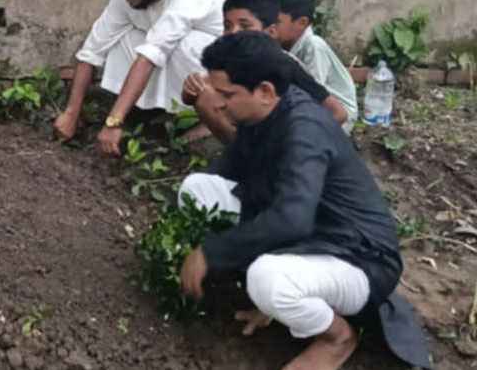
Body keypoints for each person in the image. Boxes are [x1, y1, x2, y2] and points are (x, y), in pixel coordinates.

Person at [177, 32, 430, 370]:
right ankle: (280, 297)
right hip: (308, 235)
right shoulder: (260, 115)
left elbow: (293, 219)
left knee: (266, 279)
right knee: (197, 190)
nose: (219, 103)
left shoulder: (304, 129)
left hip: (357, 257)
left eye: (226, 94)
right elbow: (236, 172)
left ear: (265, 91)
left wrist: (211, 252)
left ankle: (336, 336)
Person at [53, 0, 225, 155]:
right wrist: (71, 113)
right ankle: (148, 113)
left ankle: (210, 118)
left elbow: (149, 57)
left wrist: (112, 123)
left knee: (179, 45)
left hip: (228, 70)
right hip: (184, 69)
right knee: (123, 38)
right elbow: (91, 52)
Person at [182, 0, 349, 143]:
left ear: (270, 32)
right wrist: (191, 89)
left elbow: (338, 113)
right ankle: (240, 152)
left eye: (245, 26)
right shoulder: (228, 60)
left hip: (287, 136)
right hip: (257, 132)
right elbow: (192, 97)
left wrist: (299, 144)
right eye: (227, 26)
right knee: (206, 95)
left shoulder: (283, 64)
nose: (233, 32)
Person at [270, 0, 359, 131]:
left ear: (302, 23)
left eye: (277, 22)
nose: (270, 26)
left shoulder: (313, 46)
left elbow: (314, 93)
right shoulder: (281, 41)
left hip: (337, 114)